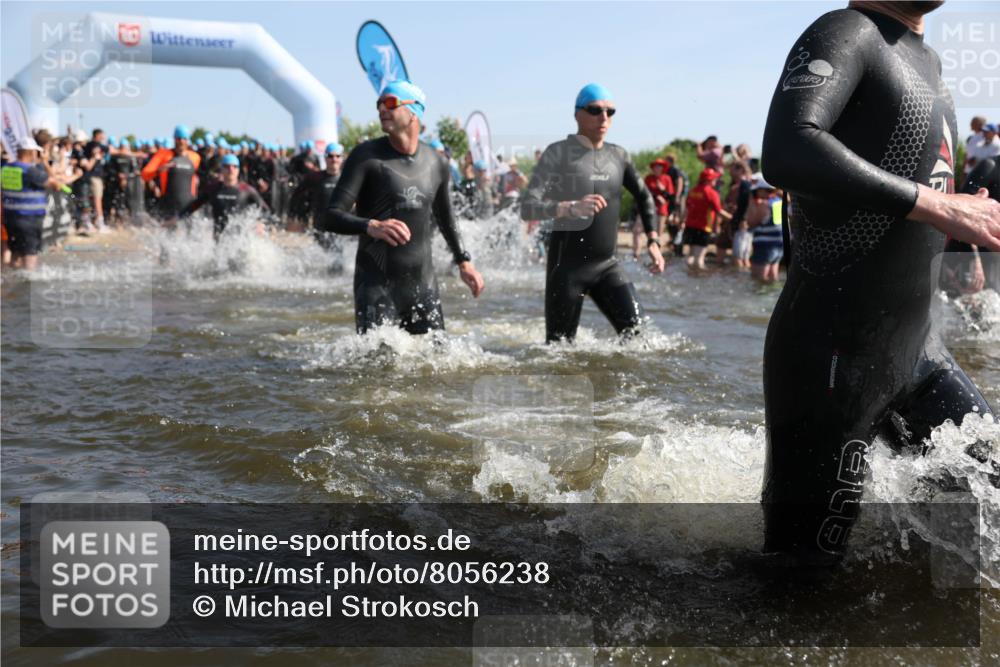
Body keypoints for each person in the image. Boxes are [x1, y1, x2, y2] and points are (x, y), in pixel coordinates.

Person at [760, 0, 1000, 564]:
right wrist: (940, 205)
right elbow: (788, 147)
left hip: (919, 350)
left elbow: (929, 180)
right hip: (833, 354)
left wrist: (963, 232)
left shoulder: (930, 61)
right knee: (800, 578)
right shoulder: (848, 32)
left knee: (978, 503)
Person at [320, 79, 485, 335]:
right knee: (378, 369)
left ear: (414, 112)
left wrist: (464, 262)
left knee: (437, 368)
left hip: (423, 286)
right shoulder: (366, 157)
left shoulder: (436, 162)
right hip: (375, 287)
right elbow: (329, 217)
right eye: (379, 104)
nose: (381, 110)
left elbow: (446, 218)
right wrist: (370, 225)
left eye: (390, 103)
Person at [521, 83, 664, 343]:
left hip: (607, 265)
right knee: (559, 350)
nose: (604, 117)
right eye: (595, 110)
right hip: (566, 269)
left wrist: (653, 240)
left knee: (641, 338)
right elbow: (528, 205)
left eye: (610, 112)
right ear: (577, 114)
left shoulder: (619, 156)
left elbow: (645, 196)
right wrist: (568, 207)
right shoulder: (558, 153)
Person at [1, 137, 64, 270]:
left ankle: (13, 282)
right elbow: (56, 185)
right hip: (29, 219)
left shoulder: (6, 168)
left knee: (15, 253)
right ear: (31, 152)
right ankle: (28, 283)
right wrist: (45, 162)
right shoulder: (31, 171)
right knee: (30, 253)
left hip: (11, 218)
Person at [940, 156, 999, 296]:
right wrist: (975, 259)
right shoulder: (989, 165)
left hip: (991, 259)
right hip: (966, 252)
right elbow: (961, 211)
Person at [180, 154, 268, 239]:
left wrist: (260, 223)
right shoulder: (213, 189)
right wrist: (177, 218)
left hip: (241, 242)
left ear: (238, 170)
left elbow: (266, 211)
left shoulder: (246, 190)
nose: (231, 169)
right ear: (222, 169)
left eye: (234, 167)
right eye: (227, 166)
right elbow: (193, 206)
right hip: (219, 242)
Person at [141, 124, 202, 220]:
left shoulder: (195, 157)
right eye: (178, 138)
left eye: (184, 139)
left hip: (189, 205)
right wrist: (159, 170)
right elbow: (145, 175)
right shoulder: (163, 155)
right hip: (168, 204)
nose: (181, 141)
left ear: (188, 140)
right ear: (174, 139)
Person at [683, 168, 732, 270]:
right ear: (709, 180)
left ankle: (689, 276)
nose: (715, 181)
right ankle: (700, 279)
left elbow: (687, 208)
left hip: (690, 226)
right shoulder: (711, 193)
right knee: (699, 258)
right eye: (714, 179)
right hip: (704, 227)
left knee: (691, 256)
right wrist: (732, 218)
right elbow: (719, 211)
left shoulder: (693, 191)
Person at [746, 176, 784, 282]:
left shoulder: (764, 205)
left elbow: (751, 222)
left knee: (758, 279)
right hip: (779, 244)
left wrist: (751, 204)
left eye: (757, 190)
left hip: (765, 245)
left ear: (762, 190)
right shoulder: (779, 202)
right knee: (772, 277)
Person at [642, 159, 675, 256]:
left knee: (659, 232)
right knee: (647, 230)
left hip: (662, 209)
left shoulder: (667, 178)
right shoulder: (648, 178)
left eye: (660, 166)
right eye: (656, 166)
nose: (658, 168)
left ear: (663, 168)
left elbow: (670, 196)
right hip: (649, 208)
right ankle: (642, 253)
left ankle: (657, 255)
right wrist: (656, 196)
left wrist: (663, 190)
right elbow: (644, 192)